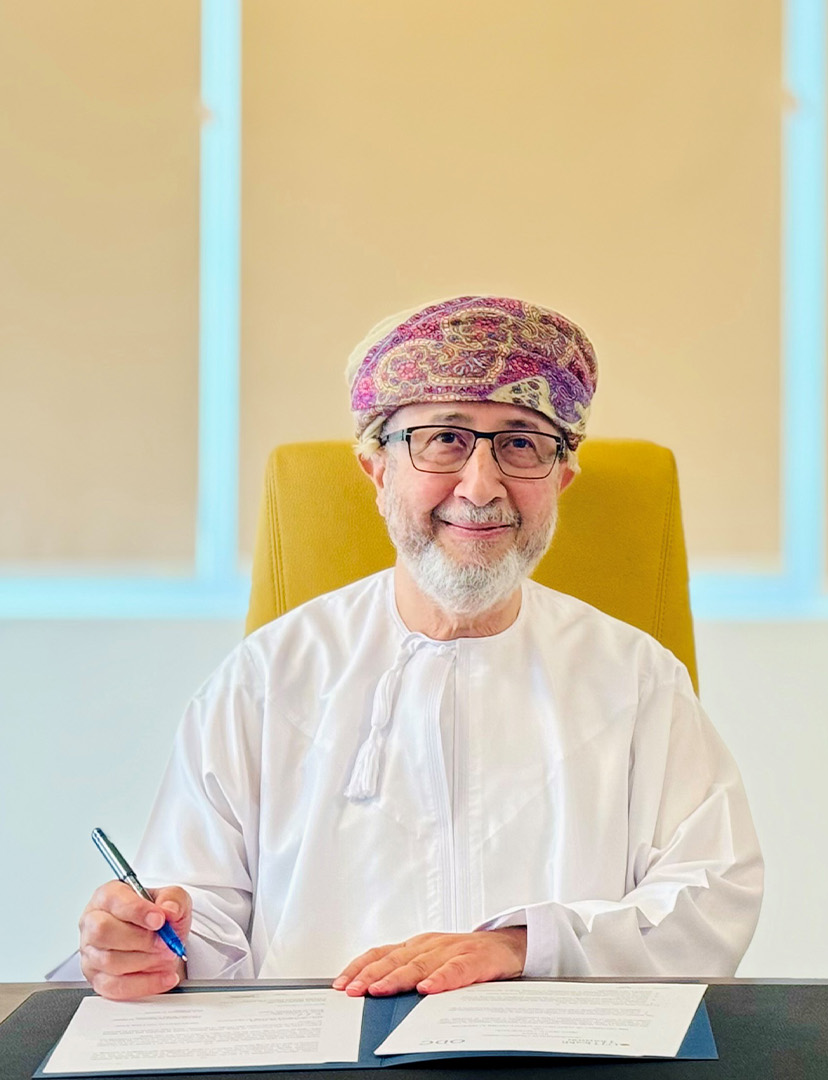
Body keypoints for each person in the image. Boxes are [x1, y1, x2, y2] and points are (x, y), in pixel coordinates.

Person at [71, 296, 763, 1000]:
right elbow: (201, 915)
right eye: (444, 439)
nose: (482, 485)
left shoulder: (636, 678)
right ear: (377, 472)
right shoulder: (267, 677)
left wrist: (521, 946)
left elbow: (710, 896)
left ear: (561, 479)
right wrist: (154, 949)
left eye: (521, 443)